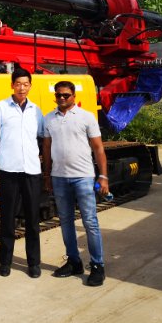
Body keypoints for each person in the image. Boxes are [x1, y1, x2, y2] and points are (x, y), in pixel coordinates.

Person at [41, 80, 109, 287]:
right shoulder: (49, 119)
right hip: (59, 177)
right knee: (65, 221)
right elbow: (46, 148)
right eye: (58, 95)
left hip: (83, 177)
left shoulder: (86, 117)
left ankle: (97, 265)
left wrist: (103, 176)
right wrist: (47, 175)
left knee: (90, 222)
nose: (62, 98)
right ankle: (74, 262)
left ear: (74, 96)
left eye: (66, 95)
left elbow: (98, 148)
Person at [0, 68, 45, 278]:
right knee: (7, 218)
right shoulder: (1, 108)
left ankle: (33, 263)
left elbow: (42, 135)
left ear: (30, 86)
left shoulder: (36, 110)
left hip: (31, 171)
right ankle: (5, 262)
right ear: (12, 85)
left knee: (32, 219)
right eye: (18, 84)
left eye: (25, 84)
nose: (22, 88)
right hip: (9, 170)